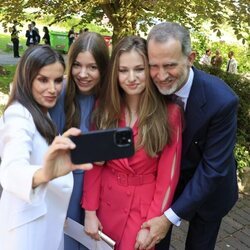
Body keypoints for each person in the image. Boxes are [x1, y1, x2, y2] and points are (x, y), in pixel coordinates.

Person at [139, 22, 239, 250]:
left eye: (170, 65)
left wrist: (170, 217)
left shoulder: (222, 101)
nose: (161, 76)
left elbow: (213, 168)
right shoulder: (150, 88)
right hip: (164, 190)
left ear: (191, 58)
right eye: (154, 66)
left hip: (210, 193)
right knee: (155, 241)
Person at [82, 36, 183, 250]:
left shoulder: (169, 114)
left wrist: (152, 224)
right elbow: (94, 165)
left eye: (139, 69)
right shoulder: (105, 108)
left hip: (142, 210)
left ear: (149, 70)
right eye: (123, 70)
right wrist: (90, 212)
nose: (131, 78)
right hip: (105, 203)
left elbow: (168, 179)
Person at [0, 45, 92, 250]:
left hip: (47, 227)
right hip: (27, 234)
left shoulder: (42, 112)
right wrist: (44, 174)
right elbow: (11, 169)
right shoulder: (18, 115)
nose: (53, 89)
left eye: (58, 80)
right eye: (43, 79)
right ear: (26, 78)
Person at [49, 31, 109, 250]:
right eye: (77, 65)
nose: (83, 74)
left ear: (103, 67)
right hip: (65, 188)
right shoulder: (58, 94)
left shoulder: (111, 99)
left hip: (99, 190)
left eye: (92, 67)